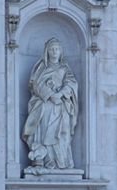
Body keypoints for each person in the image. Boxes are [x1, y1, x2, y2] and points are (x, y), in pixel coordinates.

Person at [22, 38, 78, 172]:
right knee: (44, 126)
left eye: (57, 49)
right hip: (45, 103)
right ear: (47, 51)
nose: (54, 52)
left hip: (60, 105)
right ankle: (47, 160)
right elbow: (35, 84)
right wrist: (50, 95)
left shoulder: (65, 69)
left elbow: (71, 84)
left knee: (61, 133)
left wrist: (60, 94)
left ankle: (60, 161)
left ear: (61, 52)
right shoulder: (41, 68)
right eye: (52, 49)